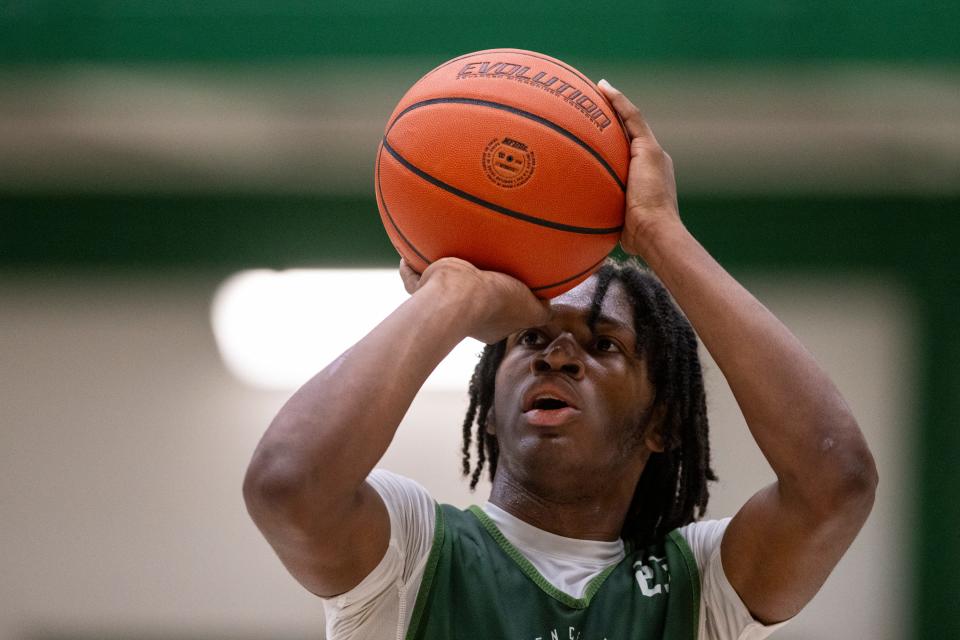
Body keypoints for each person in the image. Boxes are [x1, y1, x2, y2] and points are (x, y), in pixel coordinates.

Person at [242, 79, 878, 640]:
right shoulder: (413, 553)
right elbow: (286, 485)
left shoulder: (700, 587)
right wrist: (453, 293)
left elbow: (836, 482)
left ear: (663, 422)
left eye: (604, 345)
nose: (560, 356)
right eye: (531, 340)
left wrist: (661, 233)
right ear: (489, 409)